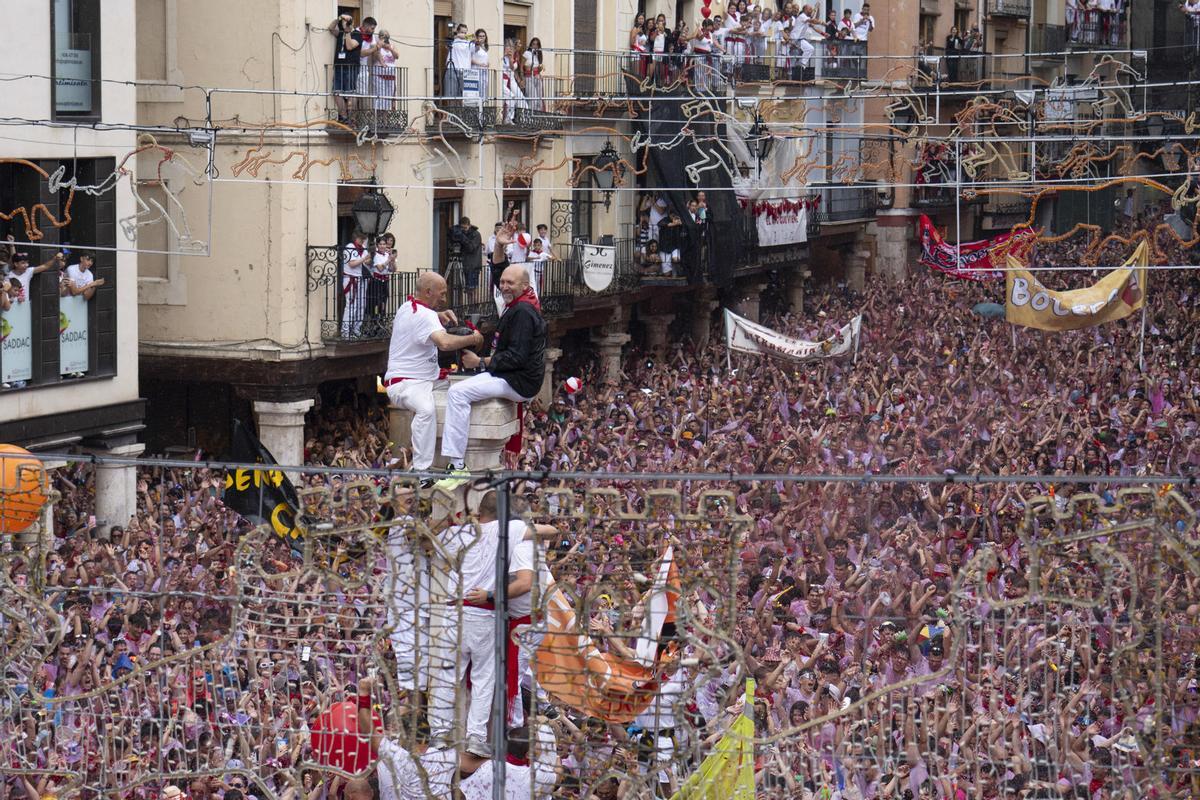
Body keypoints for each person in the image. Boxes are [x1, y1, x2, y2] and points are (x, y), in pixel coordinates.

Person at [439, 264, 546, 479]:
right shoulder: (522, 303)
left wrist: (479, 361)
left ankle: (456, 465)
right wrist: (498, 248)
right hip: (516, 376)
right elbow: (498, 271)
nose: (504, 286)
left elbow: (517, 357)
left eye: (510, 283)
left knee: (457, 393)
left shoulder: (522, 312)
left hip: (518, 380)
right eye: (502, 282)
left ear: (525, 285)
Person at [383, 271, 482, 476]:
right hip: (407, 383)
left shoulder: (406, 306)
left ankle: (453, 458)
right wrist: (473, 338)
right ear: (428, 292)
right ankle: (422, 470)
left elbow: (421, 319)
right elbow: (444, 343)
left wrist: (438, 316)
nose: (444, 299)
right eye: (442, 294)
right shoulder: (424, 315)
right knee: (426, 410)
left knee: (462, 390)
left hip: (426, 379)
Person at [341, 231, 371, 338]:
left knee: (361, 305)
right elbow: (352, 264)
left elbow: (366, 262)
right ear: (356, 237)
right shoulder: (350, 247)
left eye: (364, 238)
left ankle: (356, 329)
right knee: (351, 305)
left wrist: (370, 257)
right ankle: (346, 331)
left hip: (361, 279)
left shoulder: (363, 248)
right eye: (361, 238)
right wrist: (365, 258)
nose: (363, 240)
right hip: (351, 279)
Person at [329, 14, 358, 121]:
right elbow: (331, 28)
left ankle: (352, 118)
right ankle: (343, 116)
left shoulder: (357, 34)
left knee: (351, 93)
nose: (345, 23)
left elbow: (350, 46)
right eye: (344, 22)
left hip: (350, 67)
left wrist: (348, 31)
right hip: (338, 67)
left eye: (347, 21)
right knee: (337, 92)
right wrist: (339, 18)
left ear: (352, 22)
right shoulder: (340, 33)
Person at [449, 216, 484, 291]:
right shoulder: (461, 233)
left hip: (473, 266)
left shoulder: (476, 234)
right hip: (464, 265)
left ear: (469, 225)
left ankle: (473, 299)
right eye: (462, 228)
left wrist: (462, 237)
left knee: (472, 289)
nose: (464, 230)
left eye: (465, 228)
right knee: (466, 289)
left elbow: (471, 248)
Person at [445, 23, 472, 98]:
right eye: (462, 32)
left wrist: (466, 37)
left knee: (464, 95)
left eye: (465, 33)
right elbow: (447, 43)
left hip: (465, 71)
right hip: (452, 69)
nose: (463, 34)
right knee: (451, 94)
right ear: (457, 32)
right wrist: (456, 36)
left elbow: (475, 40)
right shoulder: (452, 40)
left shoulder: (469, 42)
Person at [522, 37, 544, 112]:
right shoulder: (526, 53)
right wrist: (522, 78)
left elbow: (538, 69)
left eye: (537, 45)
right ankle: (530, 115)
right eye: (534, 44)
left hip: (537, 77)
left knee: (539, 99)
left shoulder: (538, 55)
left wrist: (540, 69)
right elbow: (521, 66)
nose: (535, 46)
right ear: (531, 45)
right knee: (532, 99)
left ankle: (538, 115)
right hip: (529, 77)